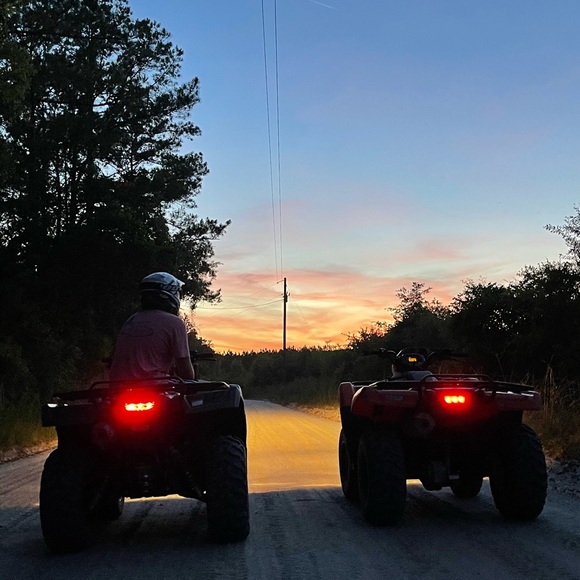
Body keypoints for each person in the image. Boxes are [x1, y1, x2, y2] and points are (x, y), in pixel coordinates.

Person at [109, 272, 195, 381]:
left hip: (118, 386)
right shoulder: (175, 323)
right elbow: (186, 373)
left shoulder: (132, 320)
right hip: (156, 386)